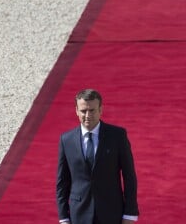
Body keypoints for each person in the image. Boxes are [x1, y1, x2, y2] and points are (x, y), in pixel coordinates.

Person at [56, 89, 139, 224]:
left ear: (101, 110)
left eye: (92, 110)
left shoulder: (117, 136)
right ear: (76, 111)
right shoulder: (66, 140)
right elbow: (62, 182)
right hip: (79, 214)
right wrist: (63, 217)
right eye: (83, 111)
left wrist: (130, 214)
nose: (88, 115)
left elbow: (129, 176)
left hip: (112, 213)